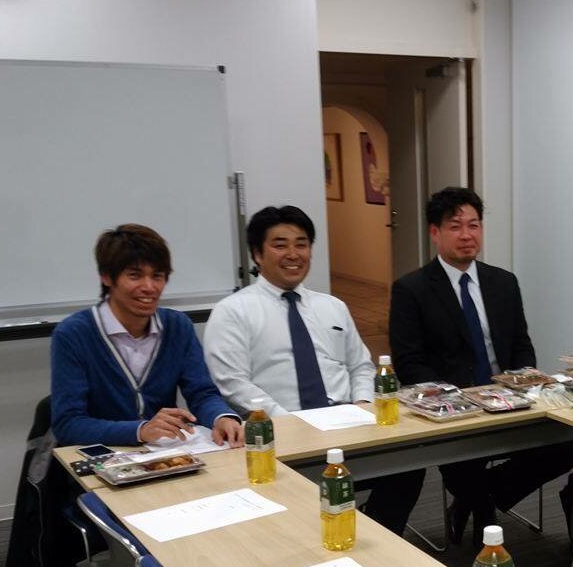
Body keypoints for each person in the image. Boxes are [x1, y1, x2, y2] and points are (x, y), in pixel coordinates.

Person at [203, 205, 424, 534]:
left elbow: (360, 366)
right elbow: (233, 382)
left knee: (408, 463)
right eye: (280, 245)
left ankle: (376, 532)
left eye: (302, 244)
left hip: (347, 425)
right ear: (257, 254)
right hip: (282, 434)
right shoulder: (232, 312)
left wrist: (363, 404)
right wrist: (289, 422)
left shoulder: (332, 306)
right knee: (289, 504)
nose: (293, 254)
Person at [389, 186, 573, 547]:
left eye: (473, 225)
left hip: (509, 403)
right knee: (464, 465)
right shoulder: (412, 289)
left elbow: (521, 345)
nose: (467, 235)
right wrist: (456, 399)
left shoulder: (503, 282)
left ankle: (483, 500)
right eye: (455, 226)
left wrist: (523, 382)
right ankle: (483, 513)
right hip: (454, 412)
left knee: (564, 448)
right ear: (435, 233)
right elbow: (409, 363)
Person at [50, 224, 242, 447]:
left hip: (166, 456)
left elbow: (202, 393)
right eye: (135, 275)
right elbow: (68, 423)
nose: (149, 287)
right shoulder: (74, 334)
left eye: (157, 276)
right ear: (107, 277)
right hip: (104, 459)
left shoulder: (177, 326)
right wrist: (140, 430)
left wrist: (222, 417)